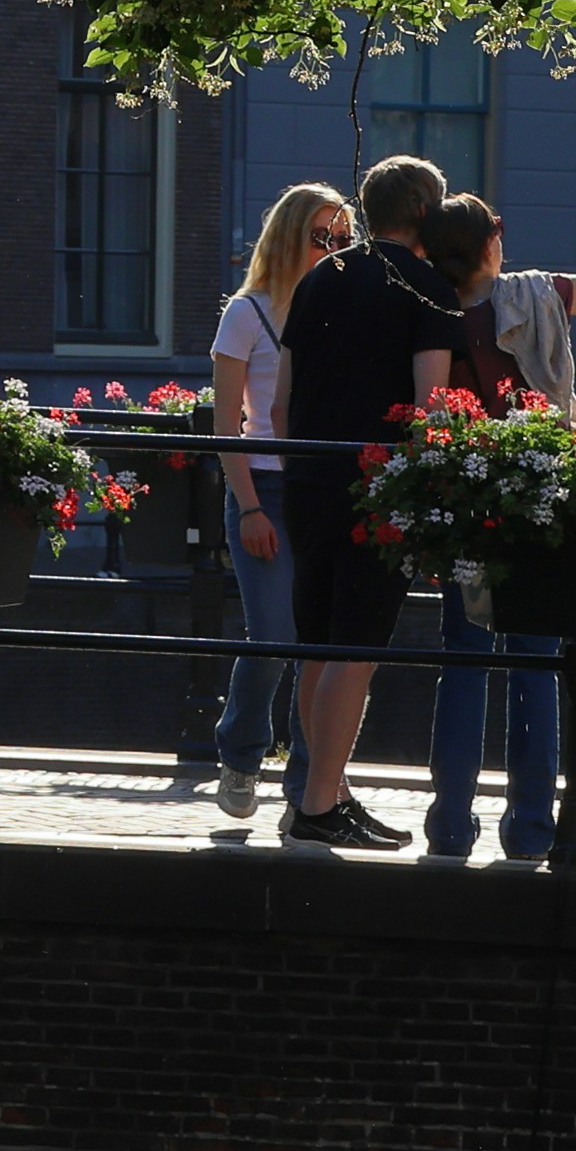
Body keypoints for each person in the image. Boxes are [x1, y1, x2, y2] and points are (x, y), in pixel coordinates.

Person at [411, 174, 576, 861]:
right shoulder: (539, 294)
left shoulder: (432, 315)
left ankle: (450, 825)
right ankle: (531, 829)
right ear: (492, 242)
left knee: (462, 658)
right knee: (536, 664)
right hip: (541, 497)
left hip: (466, 500)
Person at [267, 153, 471, 849]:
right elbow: (432, 409)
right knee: (356, 650)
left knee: (318, 647)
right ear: (423, 213)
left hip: (308, 480)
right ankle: (320, 804)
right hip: (377, 487)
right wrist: (429, 501)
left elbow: (278, 401)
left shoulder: (324, 274)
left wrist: (302, 466)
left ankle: (324, 788)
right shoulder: (429, 290)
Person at [199, 183, 354, 819]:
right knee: (273, 632)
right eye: (324, 237)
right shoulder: (247, 312)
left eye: (345, 239)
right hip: (264, 484)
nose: (336, 249)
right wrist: (250, 506)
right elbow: (226, 421)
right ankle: (240, 753)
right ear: (291, 236)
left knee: (320, 639)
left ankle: (306, 784)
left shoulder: (341, 309)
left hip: (320, 484)